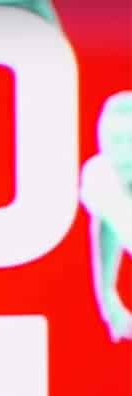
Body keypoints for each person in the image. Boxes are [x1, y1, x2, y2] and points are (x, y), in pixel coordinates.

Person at [81, 91, 132, 344]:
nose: (122, 153)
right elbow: (108, 222)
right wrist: (109, 296)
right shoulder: (100, 176)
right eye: (115, 140)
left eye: (129, 140)